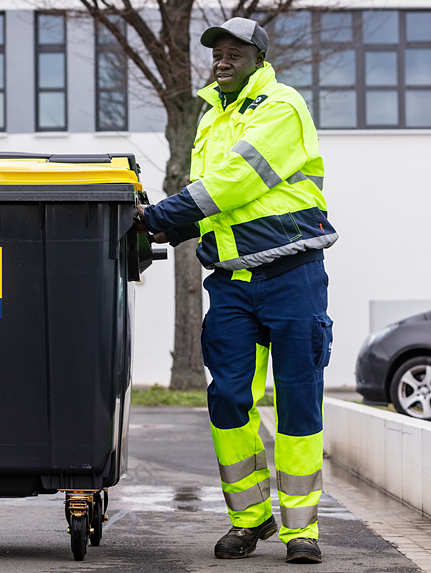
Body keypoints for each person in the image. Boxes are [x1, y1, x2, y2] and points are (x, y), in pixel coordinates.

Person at [135, 18, 337, 565]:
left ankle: (302, 530)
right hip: (230, 285)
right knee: (228, 400)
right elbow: (213, 205)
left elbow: (235, 182)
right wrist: (156, 223)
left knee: (298, 400)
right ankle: (249, 521)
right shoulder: (209, 119)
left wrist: (162, 216)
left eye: (234, 53)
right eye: (216, 53)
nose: (222, 61)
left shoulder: (281, 106)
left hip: (291, 275)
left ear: (258, 59)